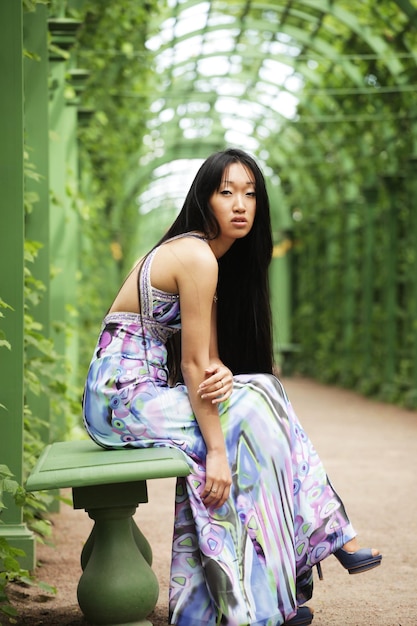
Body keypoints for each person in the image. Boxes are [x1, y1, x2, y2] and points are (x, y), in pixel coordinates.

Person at [82, 148, 382, 626]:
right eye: (226, 193)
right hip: (120, 399)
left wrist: (222, 372)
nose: (240, 204)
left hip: (137, 394)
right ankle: (317, 543)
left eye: (250, 193)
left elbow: (209, 360)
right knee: (251, 411)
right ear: (205, 200)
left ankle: (256, 595)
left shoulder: (204, 259)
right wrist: (216, 452)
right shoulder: (196, 254)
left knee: (265, 391)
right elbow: (195, 364)